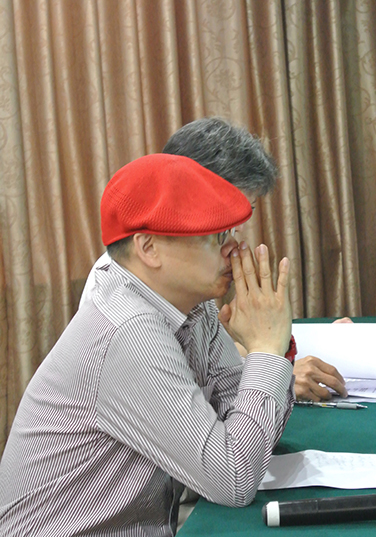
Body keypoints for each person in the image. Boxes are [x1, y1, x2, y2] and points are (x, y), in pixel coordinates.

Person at [0, 153, 295, 537]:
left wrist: (268, 354)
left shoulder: (190, 306)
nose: (234, 250)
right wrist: (266, 350)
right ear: (149, 248)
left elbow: (248, 434)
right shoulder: (128, 331)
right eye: (215, 237)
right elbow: (234, 478)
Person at [81, 117, 349, 402]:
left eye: (243, 215)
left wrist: (271, 346)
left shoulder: (192, 278)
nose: (234, 241)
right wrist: (272, 364)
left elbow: (214, 372)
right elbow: (192, 407)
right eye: (222, 223)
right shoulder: (123, 300)